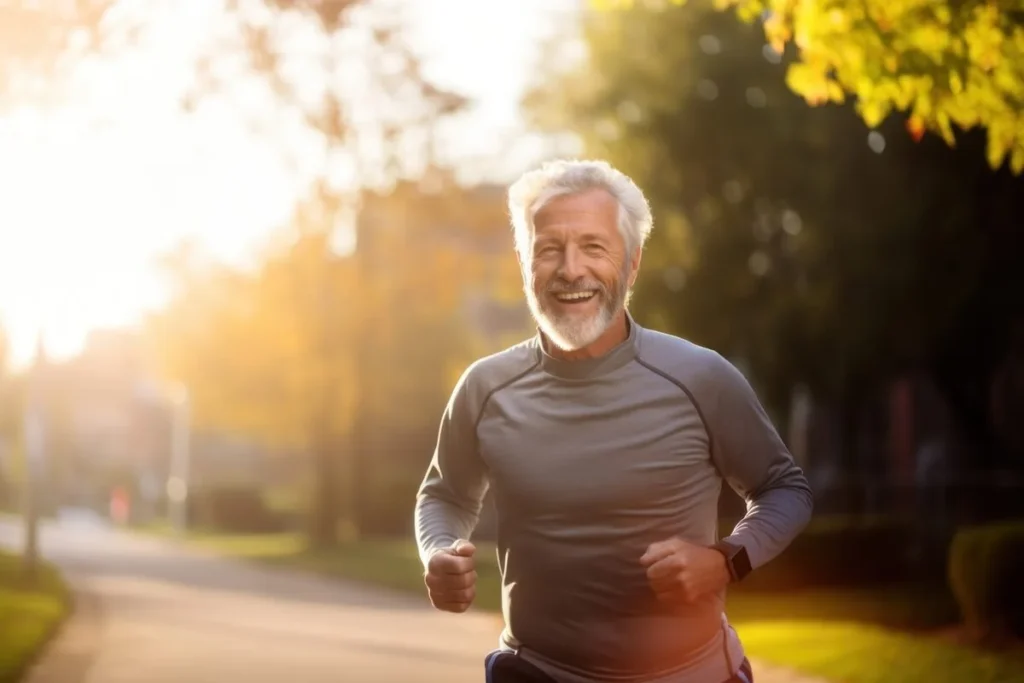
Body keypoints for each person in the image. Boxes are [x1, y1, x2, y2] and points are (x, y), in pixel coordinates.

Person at [414, 159, 813, 683]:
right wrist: (439, 553)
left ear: (632, 263)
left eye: (593, 246)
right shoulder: (485, 388)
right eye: (549, 248)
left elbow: (784, 488)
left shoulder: (700, 377)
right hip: (535, 673)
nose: (571, 269)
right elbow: (444, 496)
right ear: (524, 262)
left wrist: (725, 560)